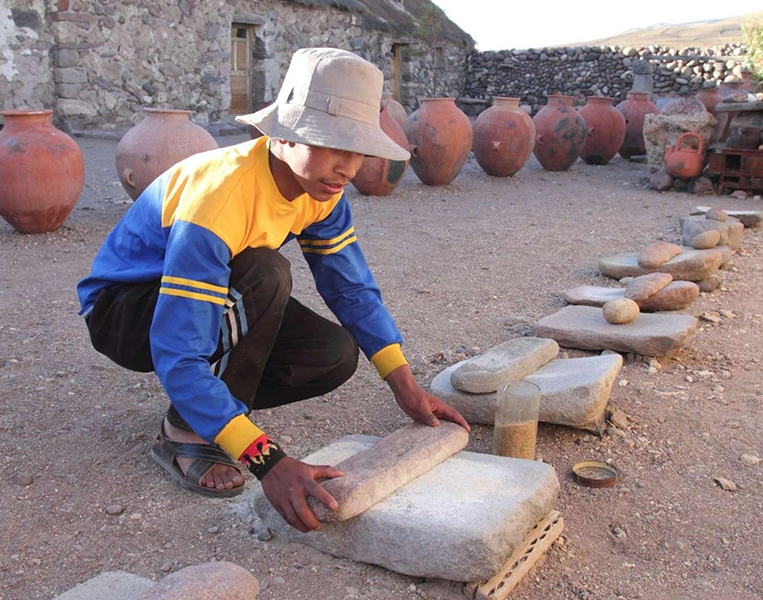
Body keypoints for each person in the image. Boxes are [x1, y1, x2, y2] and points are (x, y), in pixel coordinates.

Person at [77, 47, 469, 533]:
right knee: (267, 273)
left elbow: (351, 290)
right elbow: (177, 350)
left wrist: (405, 386)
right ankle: (187, 429)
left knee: (332, 354)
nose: (349, 168)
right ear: (283, 135)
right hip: (125, 313)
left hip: (211, 296)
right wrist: (268, 461)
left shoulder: (322, 192)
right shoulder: (219, 200)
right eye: (333, 145)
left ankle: (216, 414)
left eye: (358, 151)